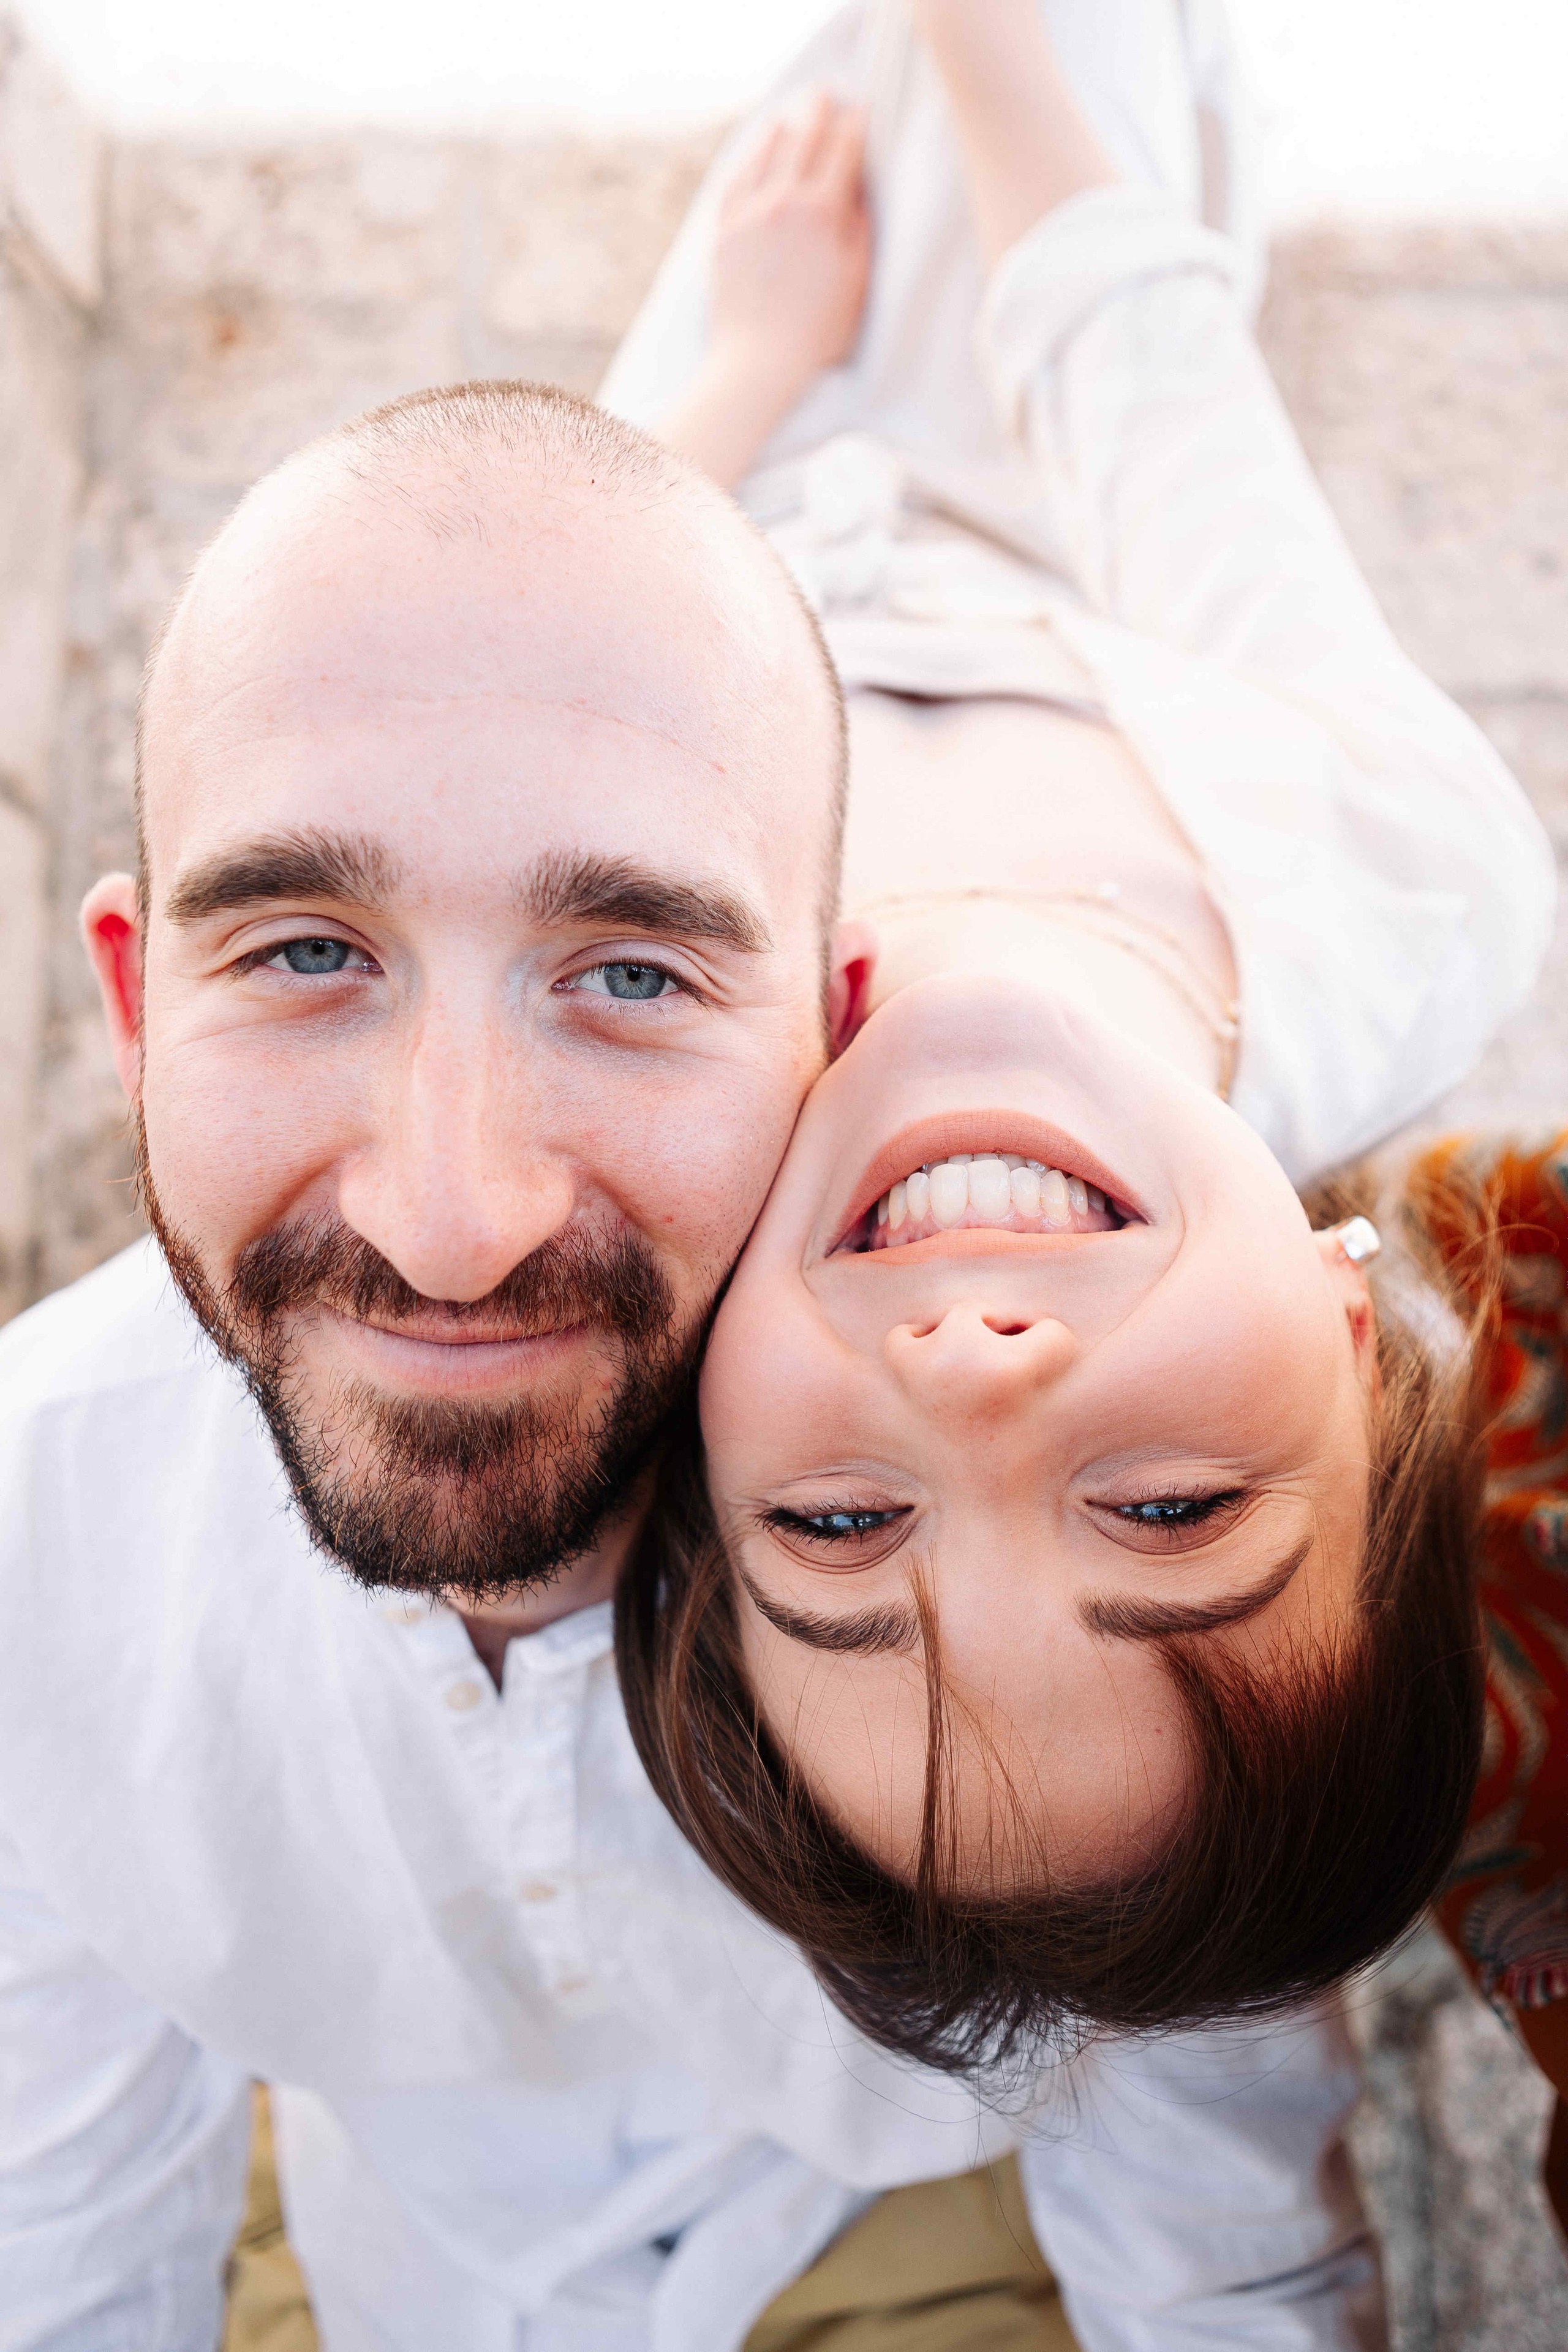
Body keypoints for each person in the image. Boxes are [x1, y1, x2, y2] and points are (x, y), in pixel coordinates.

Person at [0, 47, 1387, 2352]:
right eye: (306, 955)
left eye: (633, 975)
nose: (454, 1221)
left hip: (911, 2233)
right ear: (140, 1008)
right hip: (395, 2255)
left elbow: (1214, 2191)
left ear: (823, 1023)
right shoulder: (33, 1568)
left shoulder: (1043, 1471)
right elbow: (63, 2224)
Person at [601, 0, 1556, 2070]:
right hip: (1047, 365)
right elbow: (1159, 403)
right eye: (1171, 1514)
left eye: (843, 1528)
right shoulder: (1410, 887)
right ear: (1363, 1338)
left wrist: (741, 360)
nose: (975, 1378)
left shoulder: (644, 1061)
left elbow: (556, 634)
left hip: (735, 424)